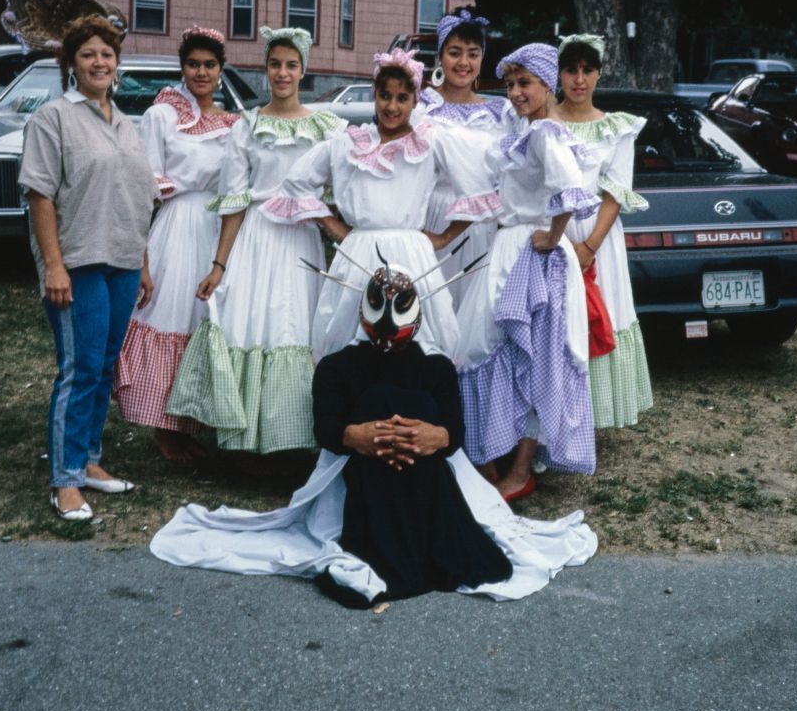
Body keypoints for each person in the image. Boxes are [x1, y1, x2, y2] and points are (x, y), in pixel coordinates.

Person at [149, 259, 597, 607]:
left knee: (416, 406)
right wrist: (358, 436)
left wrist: (434, 437)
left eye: (399, 307)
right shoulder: (337, 367)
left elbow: (455, 431)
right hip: (359, 484)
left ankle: (422, 544)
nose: (387, 321)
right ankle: (383, 545)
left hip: (429, 487)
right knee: (378, 401)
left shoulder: (436, 367)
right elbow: (325, 429)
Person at [166, 27, 347, 455]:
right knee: (250, 325)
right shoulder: (246, 126)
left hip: (300, 241)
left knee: (293, 326)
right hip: (256, 239)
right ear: (265, 68)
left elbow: (340, 195)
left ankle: (293, 437)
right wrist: (219, 265)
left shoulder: (327, 128)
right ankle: (246, 438)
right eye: (274, 64)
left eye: (291, 65)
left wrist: (344, 235)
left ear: (303, 70)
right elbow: (235, 202)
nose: (282, 73)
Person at [258, 48, 494, 363]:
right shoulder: (348, 143)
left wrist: (445, 237)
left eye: (402, 98)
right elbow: (296, 181)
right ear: (374, 95)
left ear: (414, 100)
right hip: (359, 253)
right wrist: (334, 225)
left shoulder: (431, 141)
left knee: (419, 340)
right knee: (348, 340)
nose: (392, 106)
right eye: (385, 96)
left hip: (412, 253)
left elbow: (476, 186)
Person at [18, 14, 156, 521]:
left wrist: (141, 262)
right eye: (88, 54)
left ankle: (90, 459)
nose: (99, 62)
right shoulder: (53, 118)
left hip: (121, 260)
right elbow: (40, 196)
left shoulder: (125, 121)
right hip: (76, 262)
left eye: (107, 54)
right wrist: (53, 266)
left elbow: (137, 198)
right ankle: (65, 479)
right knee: (78, 371)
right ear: (71, 64)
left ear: (117, 63)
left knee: (103, 368)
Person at [454, 43, 600, 503]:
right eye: (512, 84)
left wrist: (553, 236)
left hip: (534, 256)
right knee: (479, 345)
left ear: (547, 85)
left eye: (525, 84)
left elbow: (570, 191)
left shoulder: (545, 134)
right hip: (508, 247)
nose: (515, 93)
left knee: (536, 359)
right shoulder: (525, 130)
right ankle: (491, 459)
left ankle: (518, 469)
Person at [112, 26, 241, 464]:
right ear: (182, 68)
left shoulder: (229, 121)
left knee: (199, 324)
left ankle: (187, 423)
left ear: (221, 70)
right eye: (193, 64)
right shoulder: (163, 115)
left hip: (214, 229)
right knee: (167, 315)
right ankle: (161, 430)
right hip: (176, 226)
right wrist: (143, 257)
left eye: (209, 65)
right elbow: (143, 186)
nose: (201, 72)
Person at [552, 33, 654, 428]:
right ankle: (552, 422)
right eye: (571, 70)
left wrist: (589, 246)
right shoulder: (543, 121)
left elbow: (614, 191)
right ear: (559, 74)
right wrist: (559, 240)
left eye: (587, 70)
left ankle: (591, 417)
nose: (579, 79)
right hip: (552, 234)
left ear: (597, 74)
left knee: (598, 315)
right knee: (556, 322)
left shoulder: (616, 128)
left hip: (597, 236)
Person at [415, 9, 510, 309]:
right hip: (434, 218)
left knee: (475, 311)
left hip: (482, 226)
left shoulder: (501, 114)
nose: (464, 63)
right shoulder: (421, 108)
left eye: (473, 53)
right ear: (440, 57)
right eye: (455, 53)